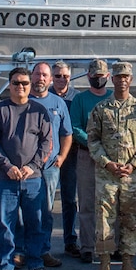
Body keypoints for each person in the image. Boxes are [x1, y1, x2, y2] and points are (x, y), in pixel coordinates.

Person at [86, 61, 136, 270]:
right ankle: (104, 265)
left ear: (131, 80)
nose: (122, 80)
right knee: (104, 219)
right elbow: (93, 139)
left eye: (126, 77)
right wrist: (107, 163)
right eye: (118, 77)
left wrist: (133, 165)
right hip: (108, 174)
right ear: (111, 79)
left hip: (132, 175)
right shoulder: (101, 109)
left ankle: (128, 264)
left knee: (131, 219)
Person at [0, 67, 54, 270]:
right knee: (6, 224)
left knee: (35, 222)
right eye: (16, 83)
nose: (21, 87)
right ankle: (5, 266)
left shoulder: (39, 111)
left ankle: (35, 265)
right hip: (5, 178)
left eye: (25, 83)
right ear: (10, 84)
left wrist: (33, 166)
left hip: (32, 178)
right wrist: (7, 166)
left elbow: (46, 142)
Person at [28, 62, 73, 268]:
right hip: (26, 167)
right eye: (37, 74)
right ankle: (22, 251)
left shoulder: (58, 103)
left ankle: (44, 250)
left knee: (45, 211)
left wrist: (62, 157)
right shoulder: (21, 100)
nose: (41, 78)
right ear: (32, 76)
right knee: (23, 211)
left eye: (44, 75)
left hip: (49, 167)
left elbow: (67, 134)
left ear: (49, 79)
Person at [69, 59, 112, 264]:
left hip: (112, 159)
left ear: (108, 77)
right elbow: (75, 127)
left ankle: (111, 245)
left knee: (111, 203)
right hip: (87, 155)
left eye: (101, 76)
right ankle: (87, 246)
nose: (98, 79)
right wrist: (95, 145)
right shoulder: (80, 100)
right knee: (86, 203)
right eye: (94, 77)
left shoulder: (113, 98)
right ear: (88, 76)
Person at [50, 61, 80, 257]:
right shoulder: (45, 95)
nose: (62, 80)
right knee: (47, 201)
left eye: (66, 76)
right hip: (49, 156)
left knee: (70, 199)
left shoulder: (76, 97)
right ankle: (41, 242)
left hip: (72, 154)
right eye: (58, 76)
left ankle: (70, 240)